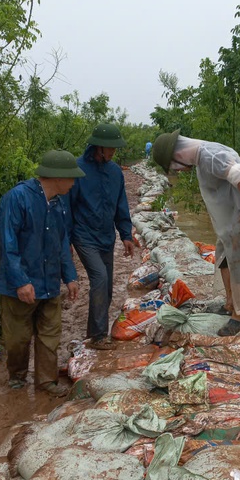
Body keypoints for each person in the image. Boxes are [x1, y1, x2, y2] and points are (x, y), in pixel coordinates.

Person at [152, 131, 240, 335]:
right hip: (235, 216)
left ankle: (239, 316)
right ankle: (230, 302)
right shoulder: (201, 157)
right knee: (224, 259)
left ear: (177, 155)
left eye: (174, 166)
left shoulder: (210, 155)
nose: (179, 171)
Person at [0, 150, 83, 396]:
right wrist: (21, 281)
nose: (74, 183)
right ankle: (17, 375)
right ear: (57, 177)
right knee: (18, 338)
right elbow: (7, 244)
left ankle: (46, 381)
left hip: (49, 282)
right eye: (71, 178)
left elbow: (62, 242)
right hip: (21, 285)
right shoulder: (18, 198)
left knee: (50, 334)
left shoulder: (58, 204)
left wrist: (70, 276)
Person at [69, 123, 135, 346]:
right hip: (83, 234)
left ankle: (93, 331)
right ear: (98, 146)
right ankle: (98, 336)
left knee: (106, 287)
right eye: (110, 148)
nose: (114, 152)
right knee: (100, 278)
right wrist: (66, 239)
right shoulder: (77, 169)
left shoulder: (115, 172)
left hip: (106, 237)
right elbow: (68, 206)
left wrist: (126, 234)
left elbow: (120, 204)